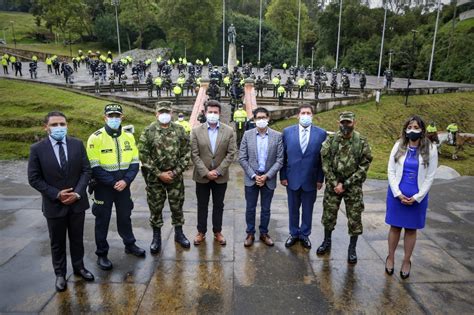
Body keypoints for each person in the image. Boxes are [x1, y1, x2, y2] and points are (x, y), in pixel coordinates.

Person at [28, 111, 94, 292]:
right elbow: (34, 178)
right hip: (54, 205)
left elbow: (86, 171)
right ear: (46, 127)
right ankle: (60, 274)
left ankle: (79, 267)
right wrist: (57, 194)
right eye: (54, 125)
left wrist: (78, 193)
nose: (59, 128)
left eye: (62, 124)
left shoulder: (77, 144)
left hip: (77, 203)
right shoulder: (37, 149)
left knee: (77, 239)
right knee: (57, 242)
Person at [86, 104, 145, 271]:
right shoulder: (95, 138)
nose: (114, 118)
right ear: (104, 118)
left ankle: (130, 244)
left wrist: (126, 181)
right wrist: (113, 182)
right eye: (110, 116)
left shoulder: (128, 137)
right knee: (102, 220)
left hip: (124, 186)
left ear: (122, 117)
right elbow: (95, 167)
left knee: (125, 216)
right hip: (103, 187)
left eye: (117, 115)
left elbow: (134, 162)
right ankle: (102, 254)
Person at [385, 115, 438, 279]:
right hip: (397, 194)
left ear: (422, 129)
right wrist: (398, 193)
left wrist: (417, 197)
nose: (412, 130)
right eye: (410, 127)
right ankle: (391, 257)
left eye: (416, 127)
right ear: (405, 129)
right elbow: (391, 170)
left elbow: (430, 176)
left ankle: (406, 261)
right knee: (395, 227)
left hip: (417, 197)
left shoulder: (430, 149)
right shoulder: (398, 145)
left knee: (410, 229)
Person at [317, 112, 373, 264]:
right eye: (343, 123)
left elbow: (364, 166)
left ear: (354, 123)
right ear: (338, 123)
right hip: (333, 185)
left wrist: (346, 184)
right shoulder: (332, 140)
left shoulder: (360, 142)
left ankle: (352, 248)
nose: (345, 126)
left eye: (348, 122)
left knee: (354, 218)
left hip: (352, 186)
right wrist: (335, 183)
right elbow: (325, 162)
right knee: (328, 215)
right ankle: (326, 242)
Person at [138, 102, 192, 254]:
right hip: (155, 178)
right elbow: (143, 154)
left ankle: (179, 234)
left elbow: (186, 152)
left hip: (175, 177)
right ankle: (156, 237)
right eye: (161, 112)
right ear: (156, 114)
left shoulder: (180, 130)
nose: (164, 114)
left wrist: (175, 172)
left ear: (172, 112)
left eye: (167, 112)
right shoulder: (148, 131)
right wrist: (158, 173)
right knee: (155, 207)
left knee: (177, 206)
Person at [191, 100, 237, 246]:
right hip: (202, 176)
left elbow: (231, 153)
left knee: (219, 205)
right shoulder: (196, 131)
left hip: (220, 176)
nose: (212, 114)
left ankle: (217, 231)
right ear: (205, 113)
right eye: (210, 112)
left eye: (215, 112)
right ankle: (201, 232)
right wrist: (205, 172)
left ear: (220, 114)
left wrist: (218, 171)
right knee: (202, 205)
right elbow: (194, 154)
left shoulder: (228, 131)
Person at [280, 104, 326, 249]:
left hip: (310, 180)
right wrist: (282, 176)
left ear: (312, 115)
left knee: (308, 209)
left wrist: (320, 179)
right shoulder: (287, 132)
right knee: (293, 209)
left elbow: (322, 159)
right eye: (303, 113)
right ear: (298, 115)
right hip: (292, 178)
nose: (305, 115)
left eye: (308, 113)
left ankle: (305, 234)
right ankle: (294, 233)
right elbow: (283, 156)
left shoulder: (321, 134)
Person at [239, 107, 284, 247]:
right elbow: (242, 158)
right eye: (258, 118)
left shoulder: (277, 136)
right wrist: (253, 175)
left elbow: (280, 159)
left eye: (264, 117)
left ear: (268, 118)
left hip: (268, 178)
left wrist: (267, 176)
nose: (261, 120)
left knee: (266, 209)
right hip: (251, 177)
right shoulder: (247, 135)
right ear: (254, 120)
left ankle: (264, 233)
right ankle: (250, 233)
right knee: (250, 208)